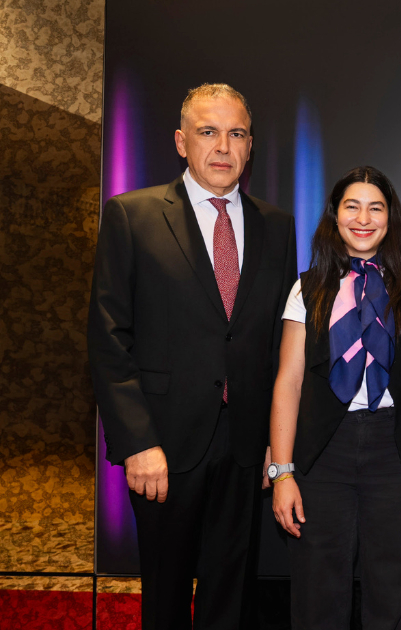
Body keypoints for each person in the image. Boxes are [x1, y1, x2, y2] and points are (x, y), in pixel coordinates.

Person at [88, 83, 297, 629]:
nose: (223, 146)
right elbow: (109, 338)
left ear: (250, 147)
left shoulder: (277, 226)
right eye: (208, 132)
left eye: (236, 133)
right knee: (166, 596)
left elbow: (278, 343)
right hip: (162, 446)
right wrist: (137, 443)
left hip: (246, 447)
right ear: (182, 142)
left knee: (232, 596)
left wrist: (276, 446)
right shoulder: (131, 216)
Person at [268, 166, 401, 628]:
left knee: (392, 595)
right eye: (352, 207)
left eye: (376, 208)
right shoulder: (307, 288)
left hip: (397, 453)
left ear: (391, 217)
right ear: (335, 216)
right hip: (321, 453)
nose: (363, 218)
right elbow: (288, 382)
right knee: (317, 597)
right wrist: (282, 471)